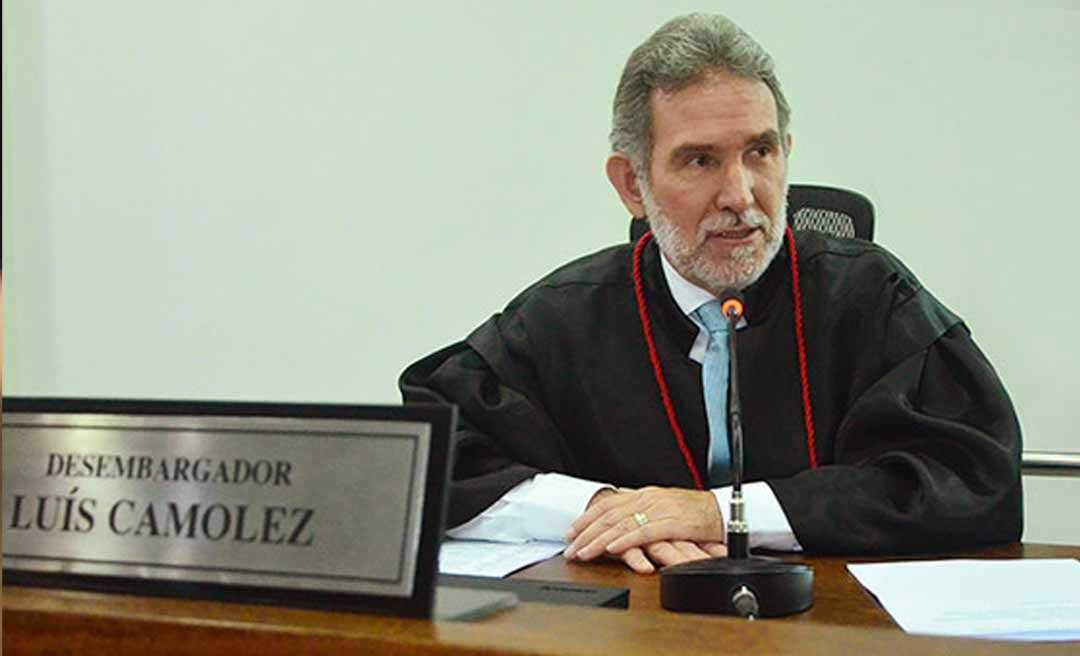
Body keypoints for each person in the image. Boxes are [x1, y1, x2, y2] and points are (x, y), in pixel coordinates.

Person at [400, 14, 1022, 574]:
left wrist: (715, 514)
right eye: (700, 161)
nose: (740, 195)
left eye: (760, 152)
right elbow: (428, 460)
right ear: (632, 184)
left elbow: (974, 482)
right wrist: (606, 509)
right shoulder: (566, 316)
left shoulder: (872, 299)